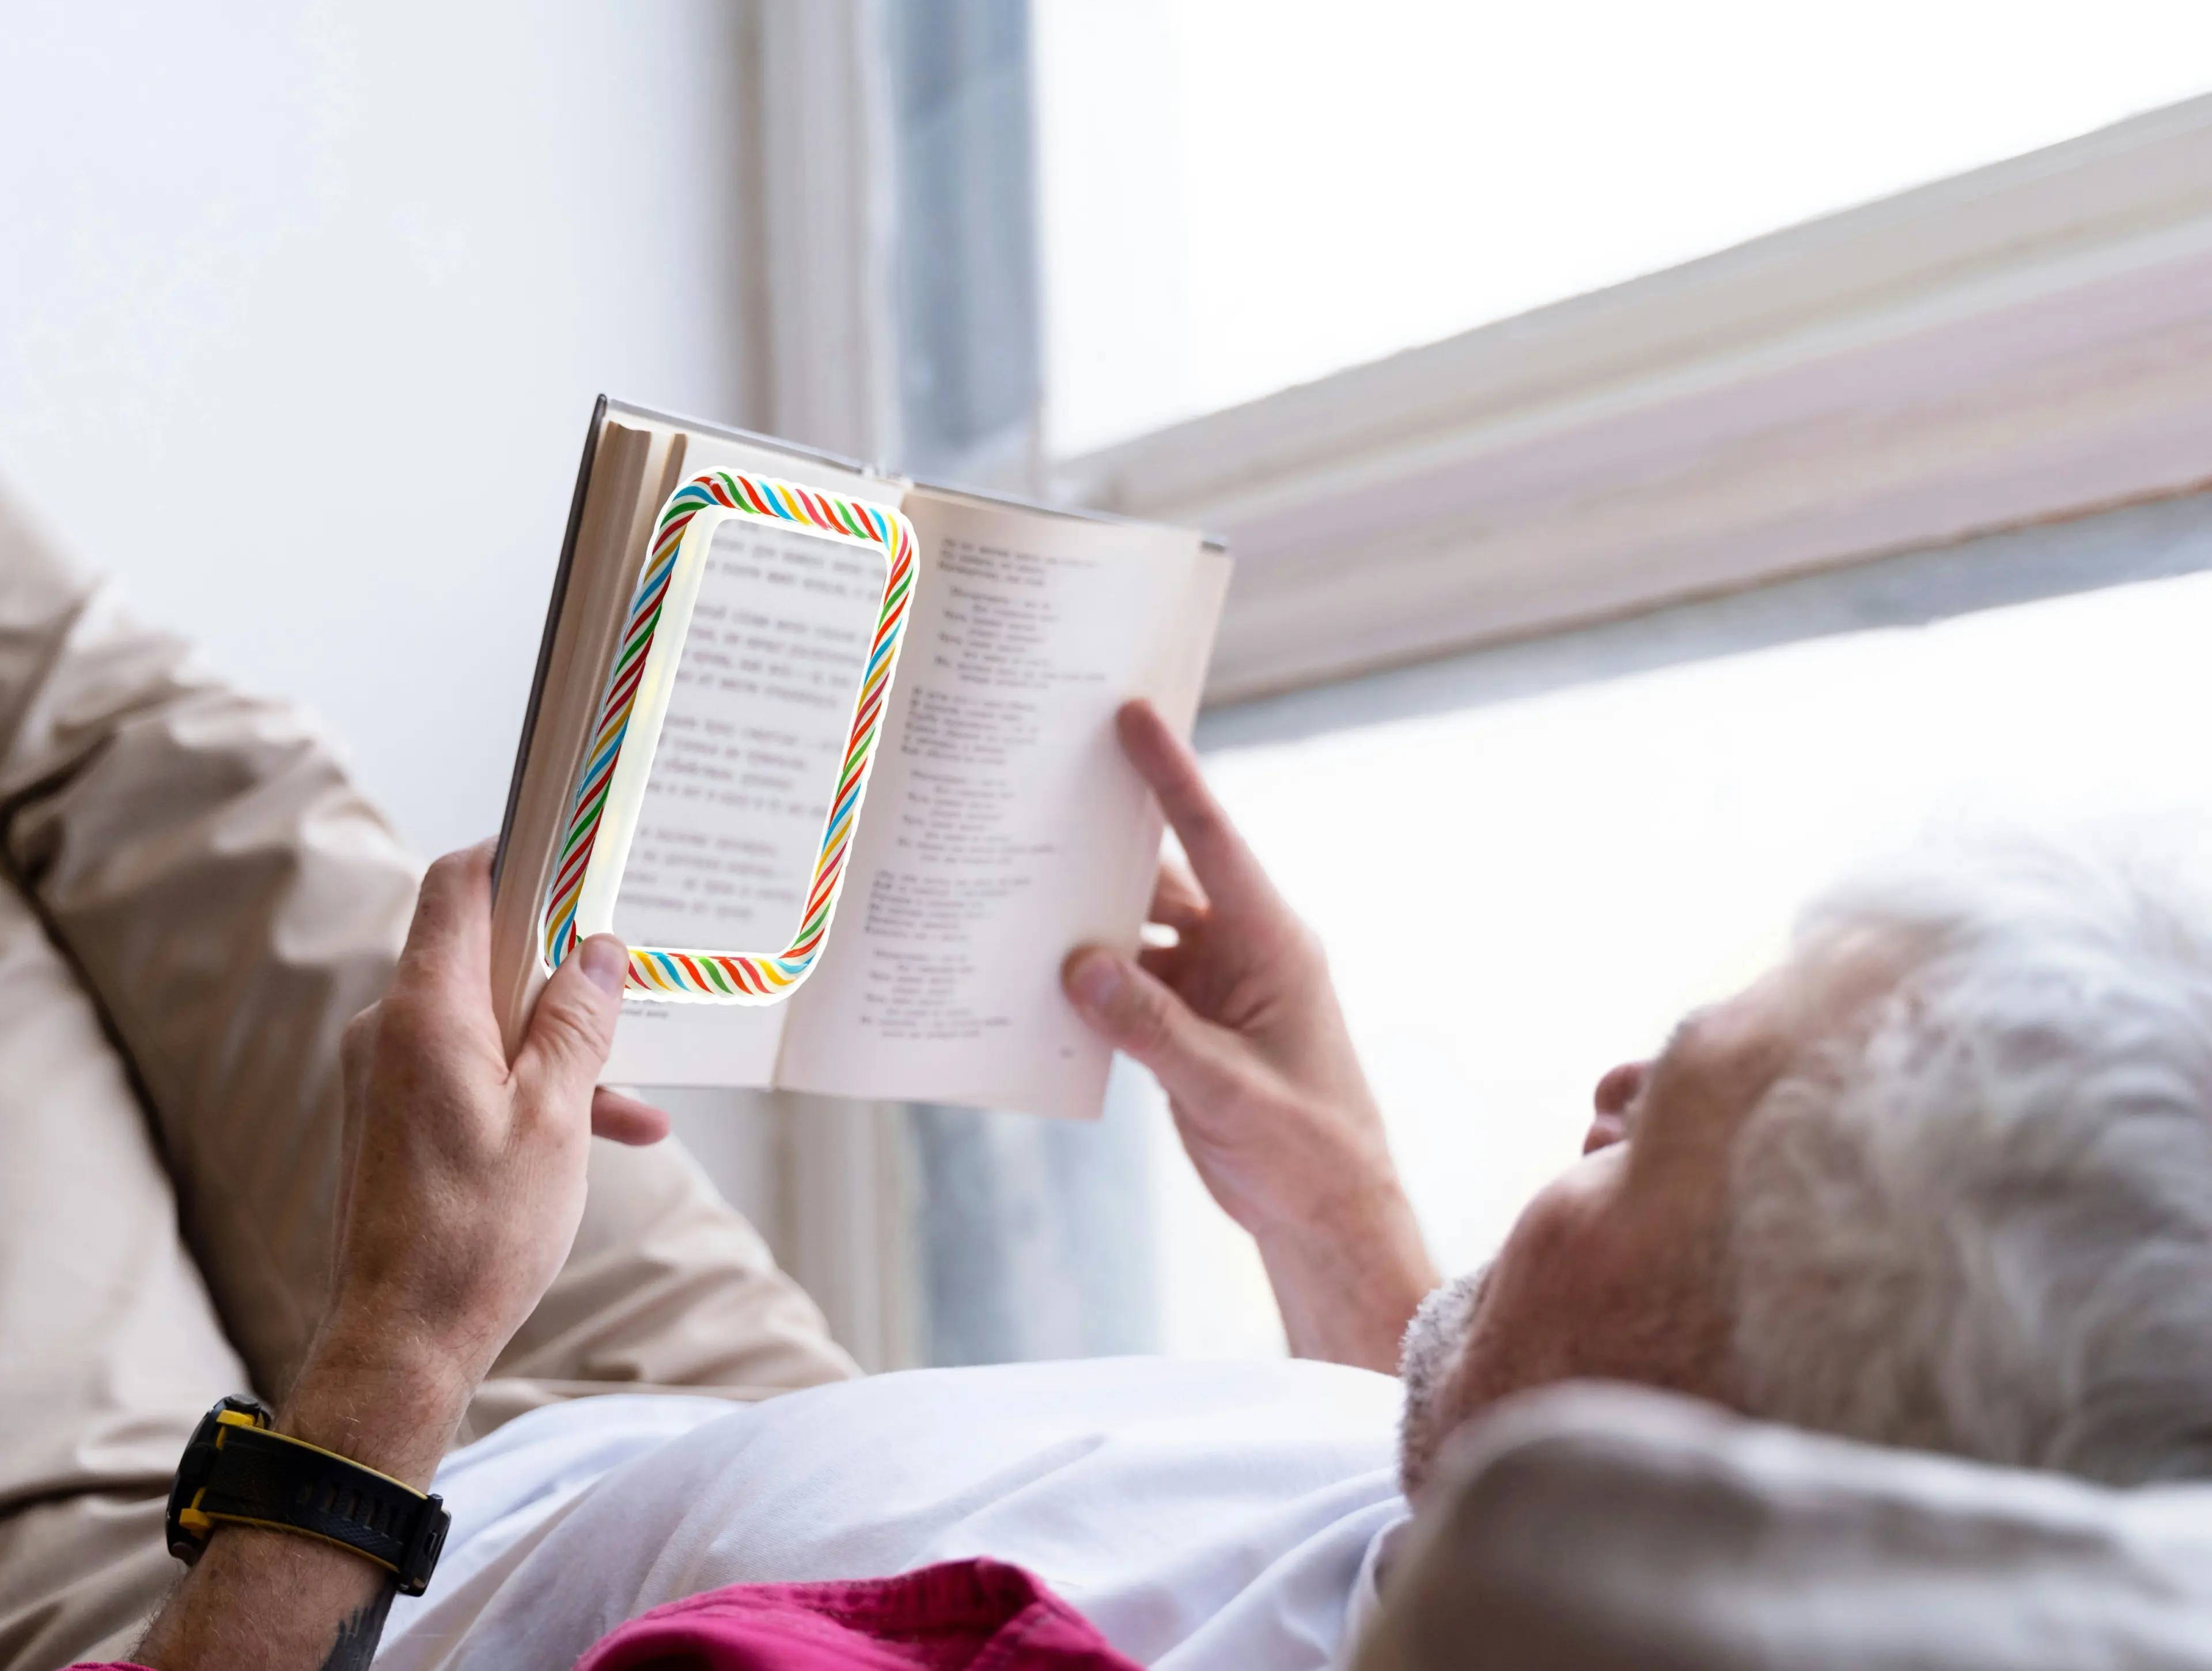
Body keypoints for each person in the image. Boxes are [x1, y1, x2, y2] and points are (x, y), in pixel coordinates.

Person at [13, 474, 2212, 1670]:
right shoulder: (1626, 1582)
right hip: (754, 1437)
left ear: (1720, 1467)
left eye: (1660, 1148)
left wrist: (400, 1341)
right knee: (164, 764)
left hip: (263, 1577)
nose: (1611, 1089)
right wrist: (1342, 1206)